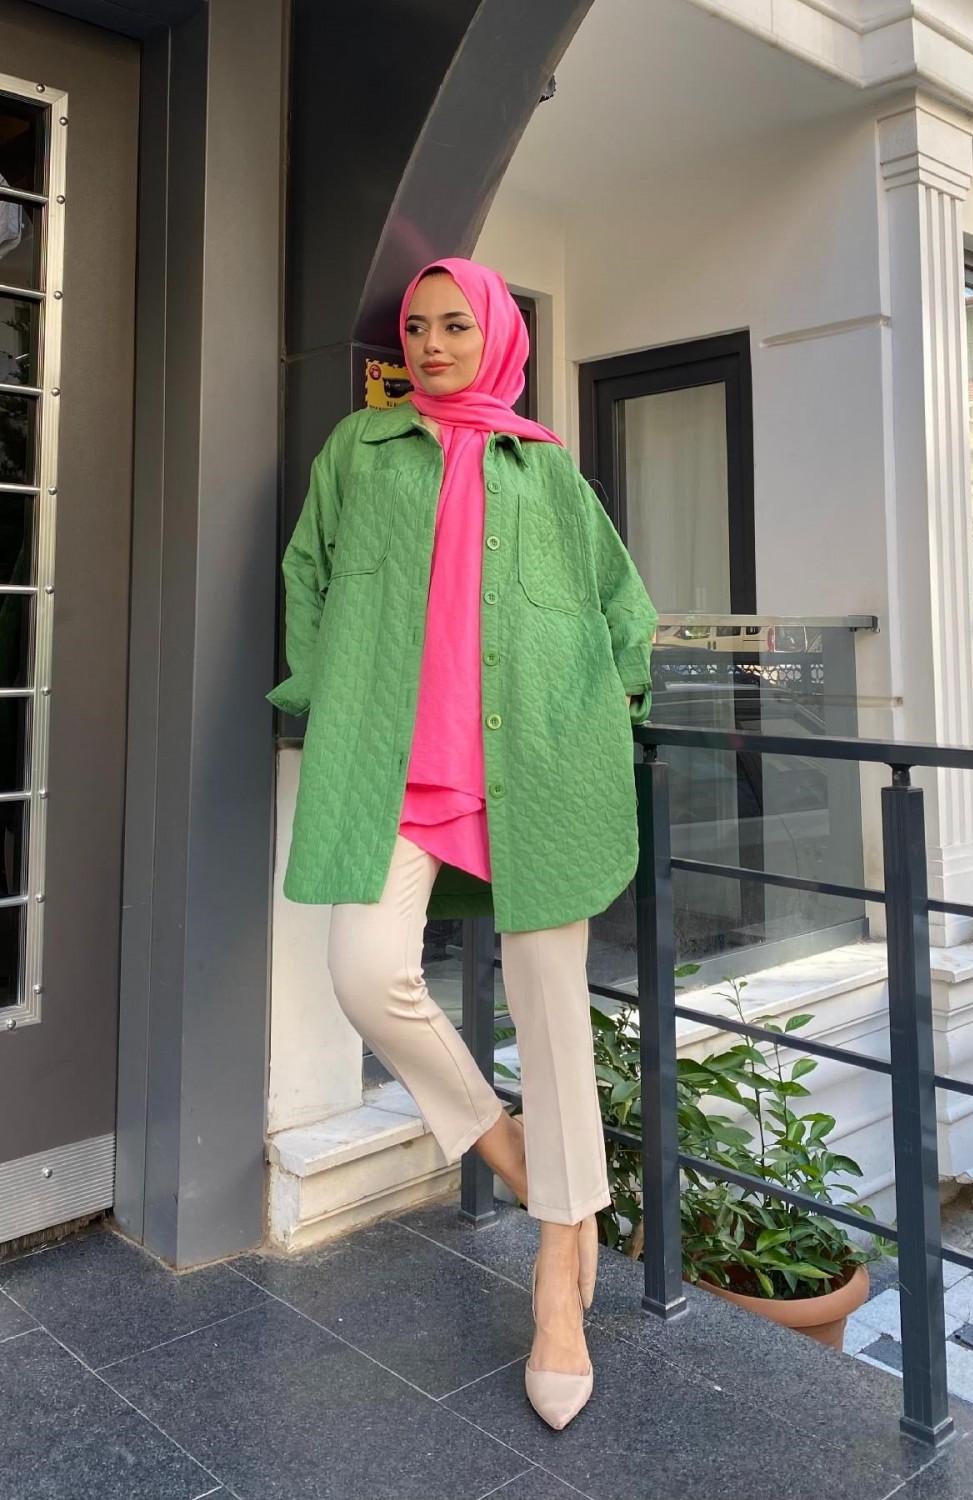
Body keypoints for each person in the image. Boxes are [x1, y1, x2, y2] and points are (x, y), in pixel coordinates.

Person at [268, 257, 658, 1430]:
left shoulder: (547, 468)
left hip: (536, 770)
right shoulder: (361, 449)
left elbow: (620, 606)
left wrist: (608, 707)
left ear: (496, 338)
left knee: (552, 1012)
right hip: (397, 766)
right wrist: (322, 690)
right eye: (417, 327)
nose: (432, 344)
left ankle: (558, 1279)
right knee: (365, 972)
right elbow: (306, 573)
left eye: (455, 326)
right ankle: (516, 1154)